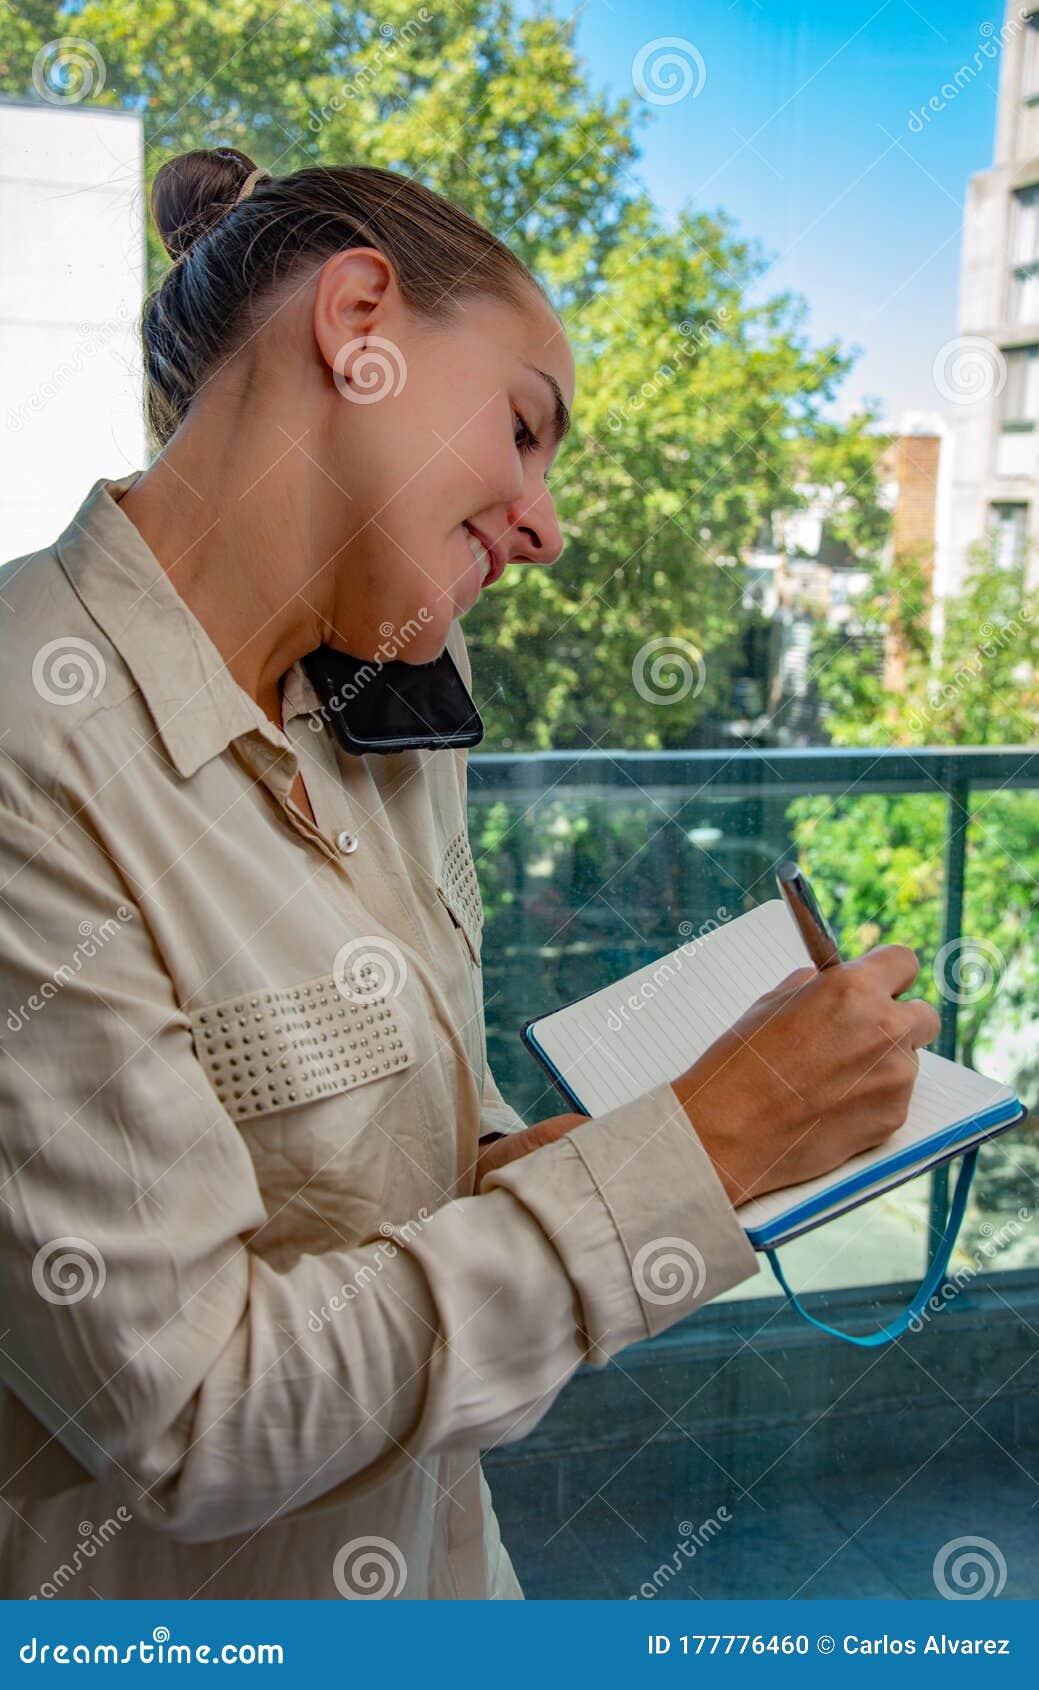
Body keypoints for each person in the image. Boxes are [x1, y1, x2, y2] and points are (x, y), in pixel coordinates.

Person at [0, 148, 941, 1601]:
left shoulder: (393, 716)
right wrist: (713, 1141)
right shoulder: (31, 742)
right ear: (359, 321)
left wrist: (660, 1135)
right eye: (525, 427)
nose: (547, 528)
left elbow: (397, 1178)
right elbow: (191, 1416)